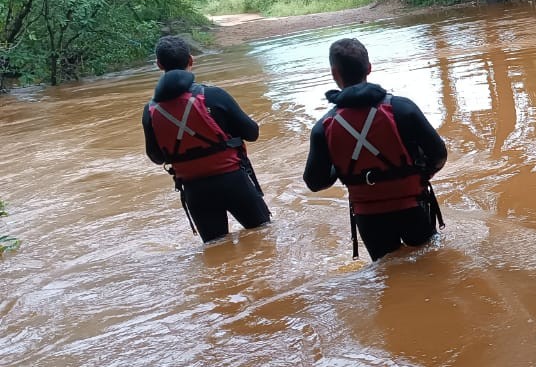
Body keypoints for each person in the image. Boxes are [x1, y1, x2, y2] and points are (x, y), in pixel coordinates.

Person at [303, 38, 447, 261]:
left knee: (388, 275)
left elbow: (315, 181)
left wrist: (341, 171)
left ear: (334, 73)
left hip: (369, 218)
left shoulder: (324, 127)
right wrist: (419, 175)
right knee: (432, 267)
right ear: (369, 68)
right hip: (413, 208)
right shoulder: (402, 108)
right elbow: (439, 155)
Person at [142, 35, 271, 243]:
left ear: (159, 65)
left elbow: (156, 157)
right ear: (191, 60)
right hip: (234, 182)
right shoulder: (214, 95)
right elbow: (252, 133)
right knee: (264, 238)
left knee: (216, 250)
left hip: (196, 192)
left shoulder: (150, 111)